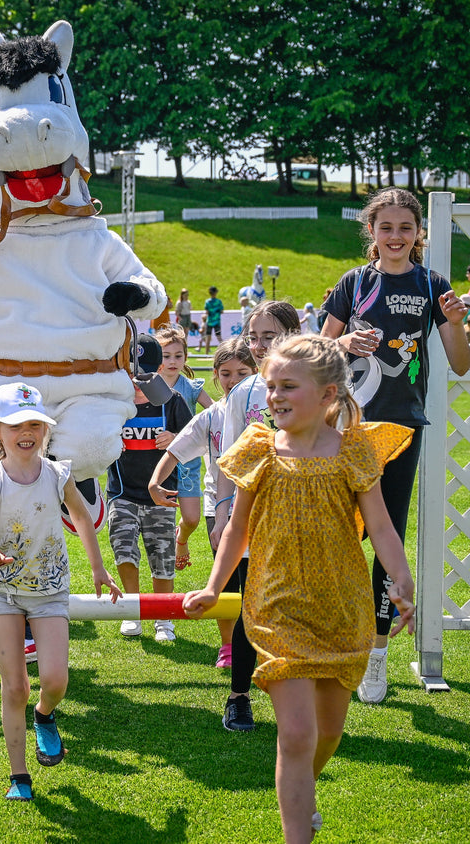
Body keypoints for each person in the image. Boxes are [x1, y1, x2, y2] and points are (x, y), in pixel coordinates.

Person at [182, 334, 416, 844]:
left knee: (327, 733)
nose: (274, 396)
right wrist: (213, 587)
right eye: (270, 386)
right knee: (295, 735)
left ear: (329, 394)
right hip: (276, 607)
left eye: (288, 386)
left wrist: (401, 578)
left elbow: (380, 526)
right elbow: (236, 531)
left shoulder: (354, 452)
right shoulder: (259, 451)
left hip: (342, 608)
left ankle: (301, 792)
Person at [320, 187, 470, 705]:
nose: (396, 236)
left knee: (390, 539)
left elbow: (460, 363)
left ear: (419, 233)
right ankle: (333, 636)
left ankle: (376, 652)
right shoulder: (354, 282)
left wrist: (456, 324)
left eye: (406, 227)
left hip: (403, 427)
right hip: (347, 426)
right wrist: (342, 343)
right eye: (386, 227)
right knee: (336, 531)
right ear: (372, 231)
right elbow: (316, 351)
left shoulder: (432, 284)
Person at [0, 382, 121, 801]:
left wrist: (99, 569)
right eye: (15, 425)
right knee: (14, 687)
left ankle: (45, 715)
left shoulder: (57, 473)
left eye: (34, 424)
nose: (26, 432)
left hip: (49, 590)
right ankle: (20, 776)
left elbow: (82, 519)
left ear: (45, 430)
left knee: (55, 680)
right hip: (3, 592)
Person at [209, 299, 302, 731]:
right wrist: (223, 515)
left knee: (294, 607)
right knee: (250, 608)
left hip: (301, 515)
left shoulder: (316, 383)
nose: (260, 345)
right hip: (252, 516)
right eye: (253, 337)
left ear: (293, 334)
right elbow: (228, 459)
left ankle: (298, 697)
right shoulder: (242, 392)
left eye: (270, 336)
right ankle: (238, 697)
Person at [148, 338, 257, 668]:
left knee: (257, 581)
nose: (233, 380)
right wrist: (155, 482)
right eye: (225, 373)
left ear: (256, 373)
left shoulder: (266, 412)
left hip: (261, 507)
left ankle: (260, 643)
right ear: (215, 375)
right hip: (218, 508)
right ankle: (229, 645)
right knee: (226, 581)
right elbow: (175, 450)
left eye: (242, 373)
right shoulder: (212, 415)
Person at [108, 334, 193, 642]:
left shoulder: (173, 401)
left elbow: (194, 439)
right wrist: (108, 442)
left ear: (157, 369)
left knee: (162, 557)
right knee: (123, 548)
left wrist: (176, 439)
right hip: (122, 493)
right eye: (131, 372)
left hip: (162, 496)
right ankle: (132, 610)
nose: (137, 380)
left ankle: (163, 618)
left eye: (144, 374)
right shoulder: (113, 403)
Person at [153, 324, 212, 577]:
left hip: (188, 463)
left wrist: (177, 437)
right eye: (166, 356)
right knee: (158, 523)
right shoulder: (146, 387)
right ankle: (162, 568)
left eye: (178, 356)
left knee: (192, 519)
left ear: (186, 357)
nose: (172, 361)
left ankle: (182, 538)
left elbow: (215, 415)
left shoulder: (192, 388)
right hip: (156, 464)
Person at [203, 286, 225, 353]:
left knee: (208, 338)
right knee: (219, 337)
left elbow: (206, 312)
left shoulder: (207, 302)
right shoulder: (218, 302)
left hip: (209, 321)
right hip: (217, 321)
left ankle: (206, 354)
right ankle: (225, 351)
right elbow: (222, 311)